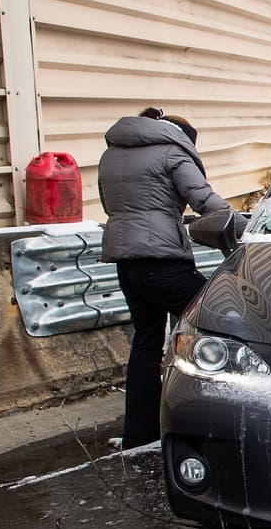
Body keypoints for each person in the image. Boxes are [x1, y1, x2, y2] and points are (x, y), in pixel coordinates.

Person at [98, 107, 231, 449]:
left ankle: (140, 434)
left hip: (128, 265)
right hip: (164, 262)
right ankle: (211, 421)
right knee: (220, 317)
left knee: (146, 342)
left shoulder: (111, 155)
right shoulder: (173, 152)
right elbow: (204, 201)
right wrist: (248, 228)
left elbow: (112, 205)